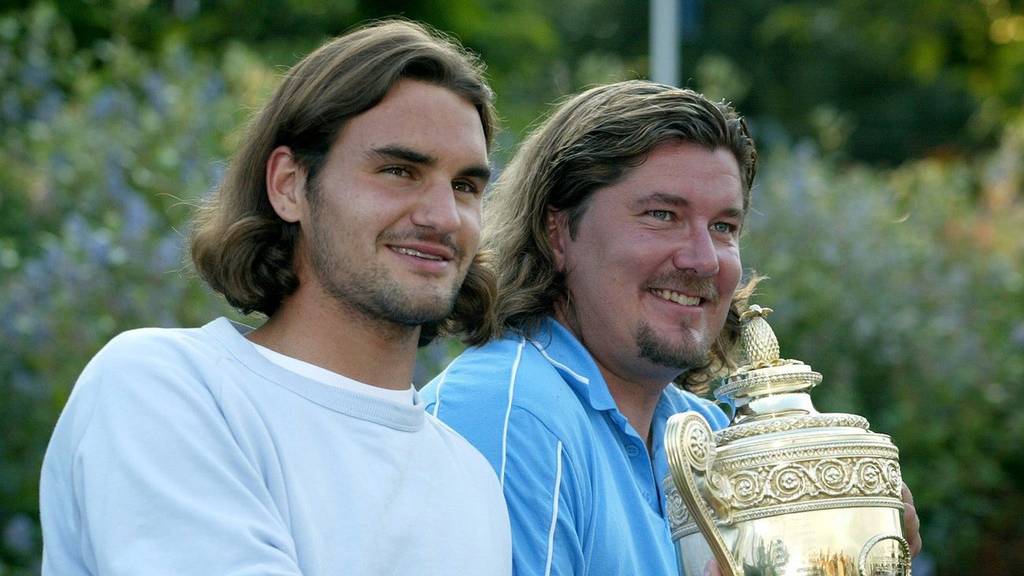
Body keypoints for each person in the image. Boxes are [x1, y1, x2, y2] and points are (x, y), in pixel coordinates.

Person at [40, 20, 511, 575]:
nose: (442, 216)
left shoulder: (472, 481)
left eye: (465, 186)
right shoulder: (169, 387)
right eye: (398, 170)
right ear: (289, 184)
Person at [420, 80, 921, 575]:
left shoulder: (711, 435)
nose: (703, 261)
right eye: (662, 215)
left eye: (724, 227)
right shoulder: (506, 413)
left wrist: (857, 543)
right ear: (558, 233)